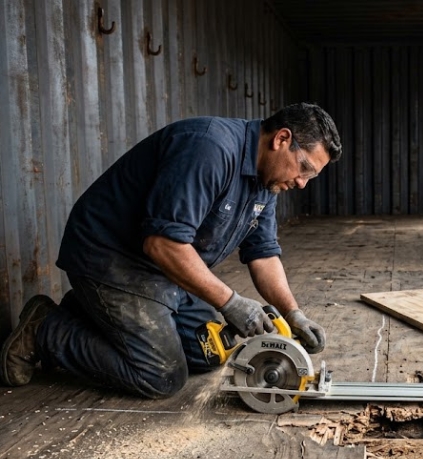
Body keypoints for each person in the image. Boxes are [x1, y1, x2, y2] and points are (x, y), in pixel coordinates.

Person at [0, 103, 342, 398]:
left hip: (164, 271)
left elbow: (263, 253)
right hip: (111, 257)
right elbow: (162, 243)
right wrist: (231, 302)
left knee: (210, 350)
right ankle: (46, 329)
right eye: (304, 170)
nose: (301, 183)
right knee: (161, 375)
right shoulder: (210, 149)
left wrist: (293, 313)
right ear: (281, 139)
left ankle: (92, 313)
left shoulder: (266, 182)